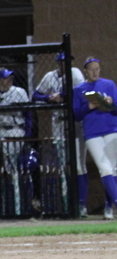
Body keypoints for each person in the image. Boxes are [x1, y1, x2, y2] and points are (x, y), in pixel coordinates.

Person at [34, 52, 88, 216]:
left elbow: (80, 91)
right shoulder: (50, 76)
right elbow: (35, 95)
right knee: (63, 167)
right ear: (58, 63)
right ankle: (67, 205)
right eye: (63, 62)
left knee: (78, 165)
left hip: (75, 123)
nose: (66, 64)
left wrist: (62, 95)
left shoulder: (75, 73)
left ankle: (81, 205)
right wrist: (49, 97)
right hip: (57, 123)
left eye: (68, 61)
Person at [73, 57, 117, 220]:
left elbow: (116, 110)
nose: (95, 72)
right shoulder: (79, 89)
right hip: (92, 132)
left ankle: (108, 207)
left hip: (111, 128)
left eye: (97, 69)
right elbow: (76, 115)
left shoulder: (109, 84)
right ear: (85, 71)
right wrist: (89, 106)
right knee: (104, 168)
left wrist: (110, 103)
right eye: (91, 69)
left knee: (113, 169)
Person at [0, 68, 32, 215]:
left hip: (17, 130)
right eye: (5, 78)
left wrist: (28, 132)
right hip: (2, 132)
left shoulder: (19, 92)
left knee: (17, 169)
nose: (9, 79)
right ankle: (12, 206)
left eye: (10, 77)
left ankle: (21, 205)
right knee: (8, 170)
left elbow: (28, 113)